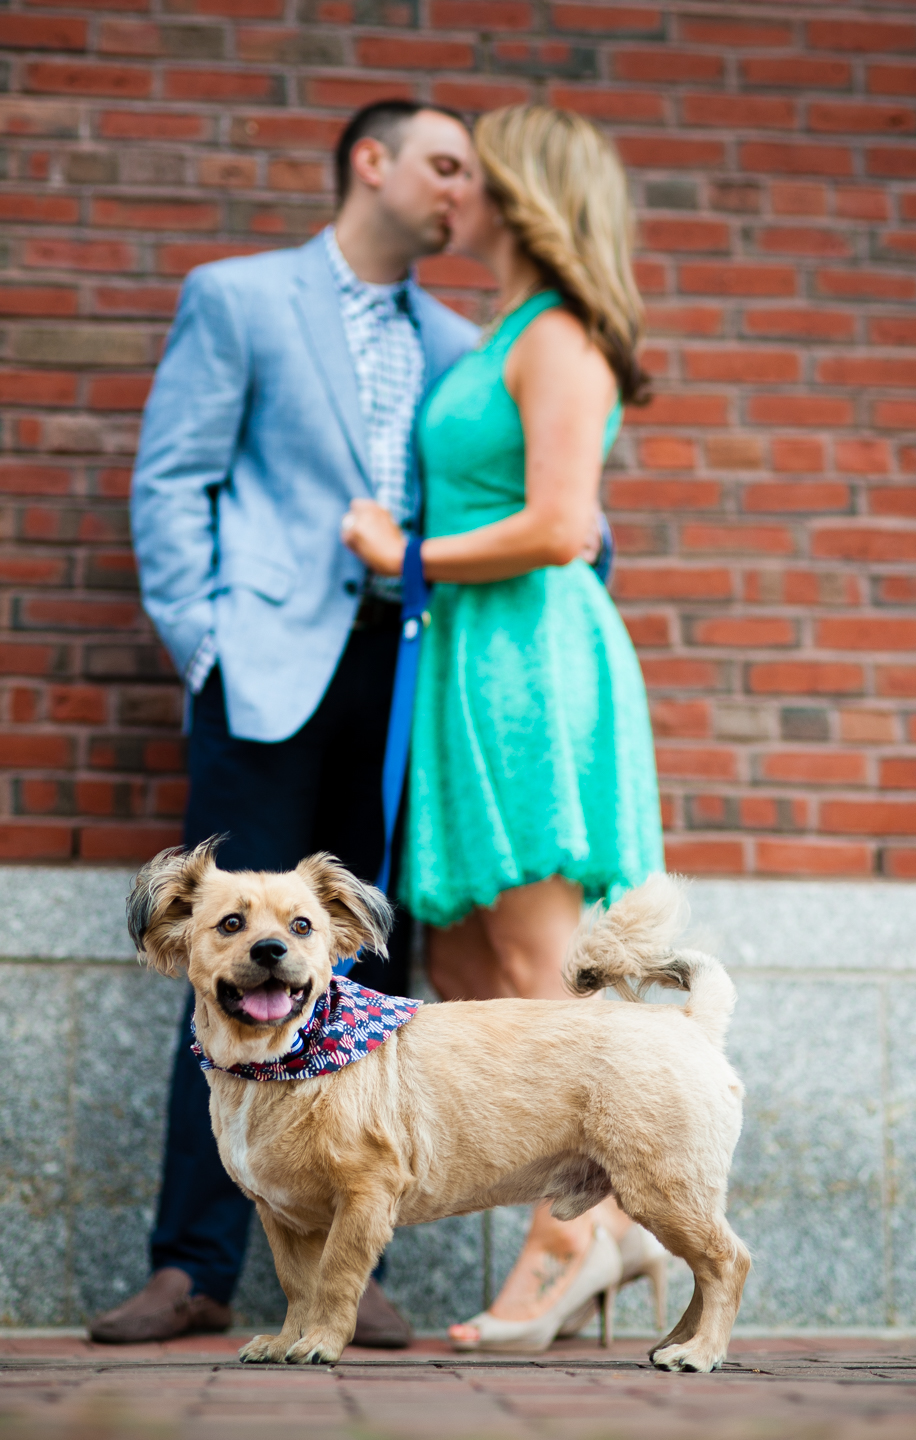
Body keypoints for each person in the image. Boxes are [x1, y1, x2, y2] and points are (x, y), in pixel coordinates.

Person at [89, 100, 480, 1347]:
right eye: (443, 165)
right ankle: (192, 1267)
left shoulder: (465, 340)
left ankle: (341, 1274)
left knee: (363, 953)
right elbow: (174, 477)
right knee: (228, 948)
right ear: (372, 163)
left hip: (406, 672)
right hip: (260, 671)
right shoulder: (240, 296)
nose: (460, 193)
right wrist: (206, 642)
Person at [342, 104, 667, 1353]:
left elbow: (563, 526)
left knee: (544, 972)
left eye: (476, 173)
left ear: (523, 193)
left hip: (530, 660)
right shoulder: (507, 332)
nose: (456, 189)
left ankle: (572, 1243)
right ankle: (614, 1225)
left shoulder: (562, 340)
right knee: (472, 975)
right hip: (472, 658)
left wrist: (401, 552)